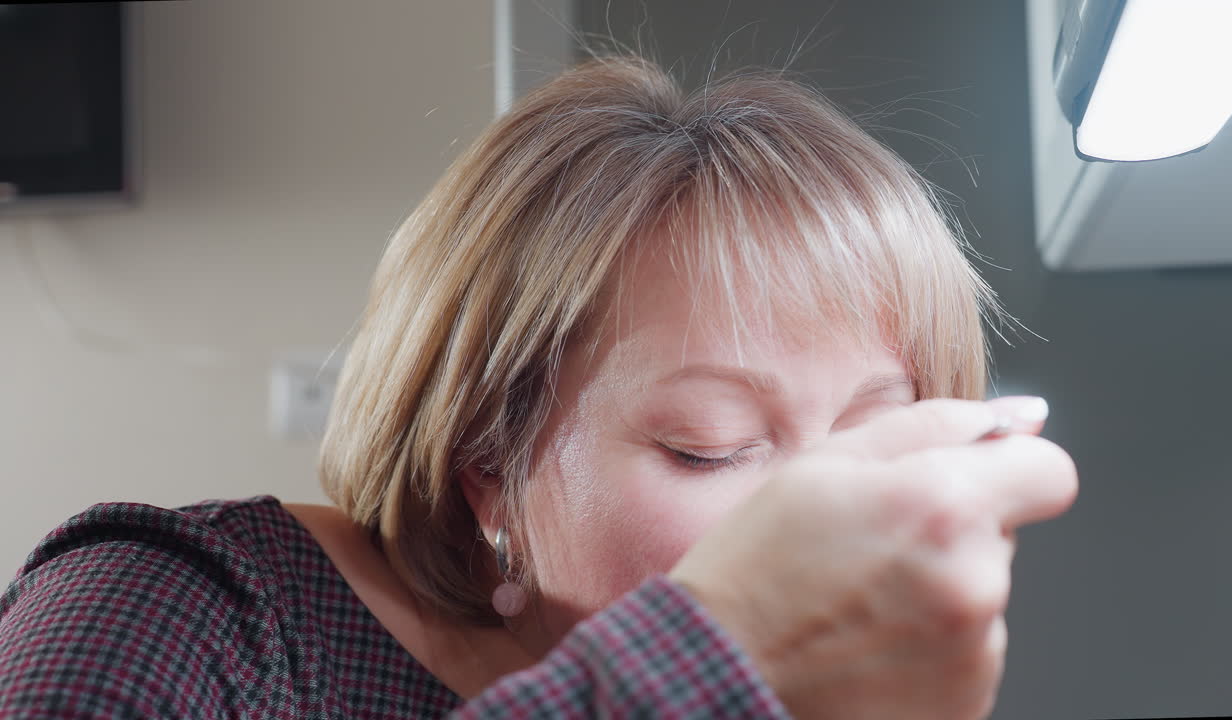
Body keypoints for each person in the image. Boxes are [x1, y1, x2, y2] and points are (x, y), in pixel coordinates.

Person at [0, 54, 1076, 719]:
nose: (827, 507)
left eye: (877, 433)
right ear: (487, 473)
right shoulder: (178, 615)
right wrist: (704, 671)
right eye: (709, 443)